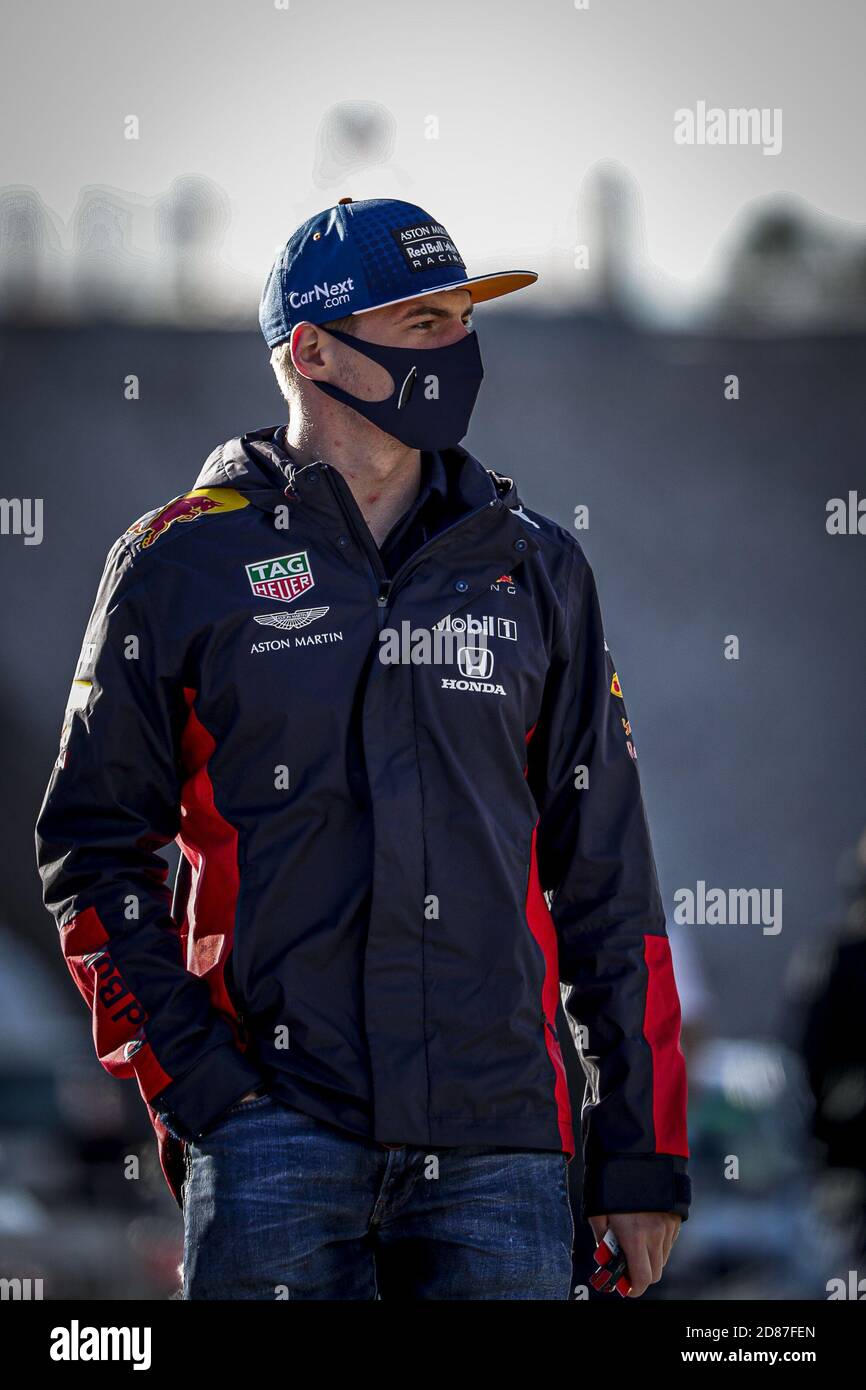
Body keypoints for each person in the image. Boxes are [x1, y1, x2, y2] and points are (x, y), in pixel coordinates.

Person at [35, 196, 690, 1300]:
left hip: (504, 1153)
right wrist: (201, 1087)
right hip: (275, 1140)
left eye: (460, 320)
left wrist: (640, 1150)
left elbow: (607, 876)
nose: (458, 349)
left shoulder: (535, 567)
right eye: (421, 323)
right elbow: (93, 852)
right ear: (311, 349)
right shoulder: (175, 562)